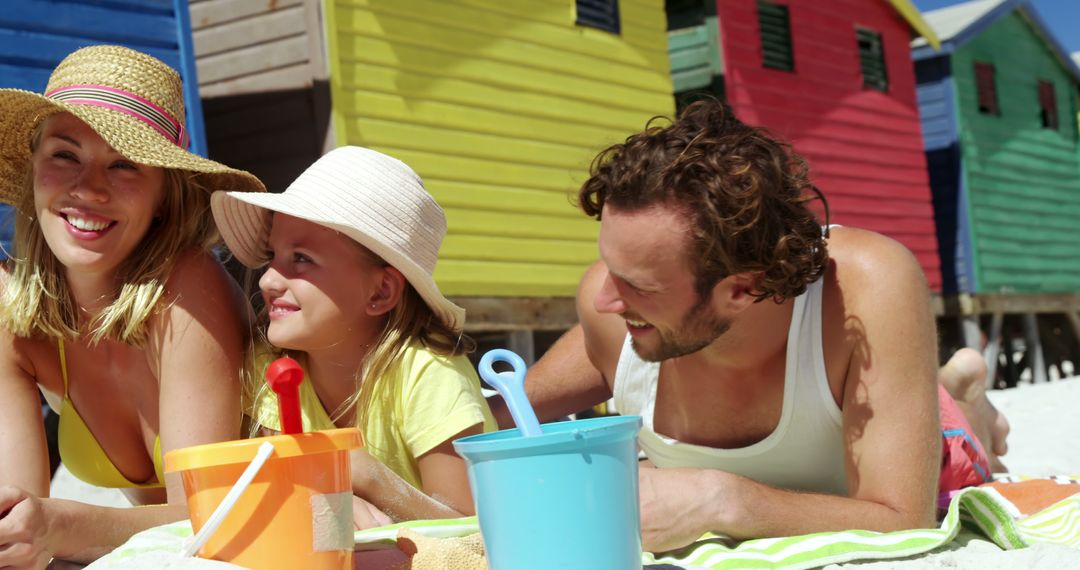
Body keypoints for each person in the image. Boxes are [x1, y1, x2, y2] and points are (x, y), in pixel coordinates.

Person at [503, 100, 1011, 552]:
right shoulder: (615, 313)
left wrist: (721, 499)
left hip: (913, 422)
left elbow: (905, 521)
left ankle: (965, 399)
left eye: (638, 285)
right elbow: (489, 415)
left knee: (958, 449)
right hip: (861, 394)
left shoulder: (865, 286)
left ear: (741, 290)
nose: (603, 298)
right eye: (607, 266)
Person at [0, 45, 265, 566]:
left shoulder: (187, 287)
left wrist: (62, 524)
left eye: (124, 164)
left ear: (164, 194)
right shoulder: (12, 317)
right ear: (34, 169)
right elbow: (15, 521)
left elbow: (211, 520)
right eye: (65, 154)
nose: (89, 189)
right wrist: (31, 531)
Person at [211, 145, 497, 527]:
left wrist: (364, 475)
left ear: (380, 292)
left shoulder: (429, 375)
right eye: (272, 256)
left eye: (301, 258)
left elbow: (471, 529)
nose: (267, 280)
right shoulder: (273, 369)